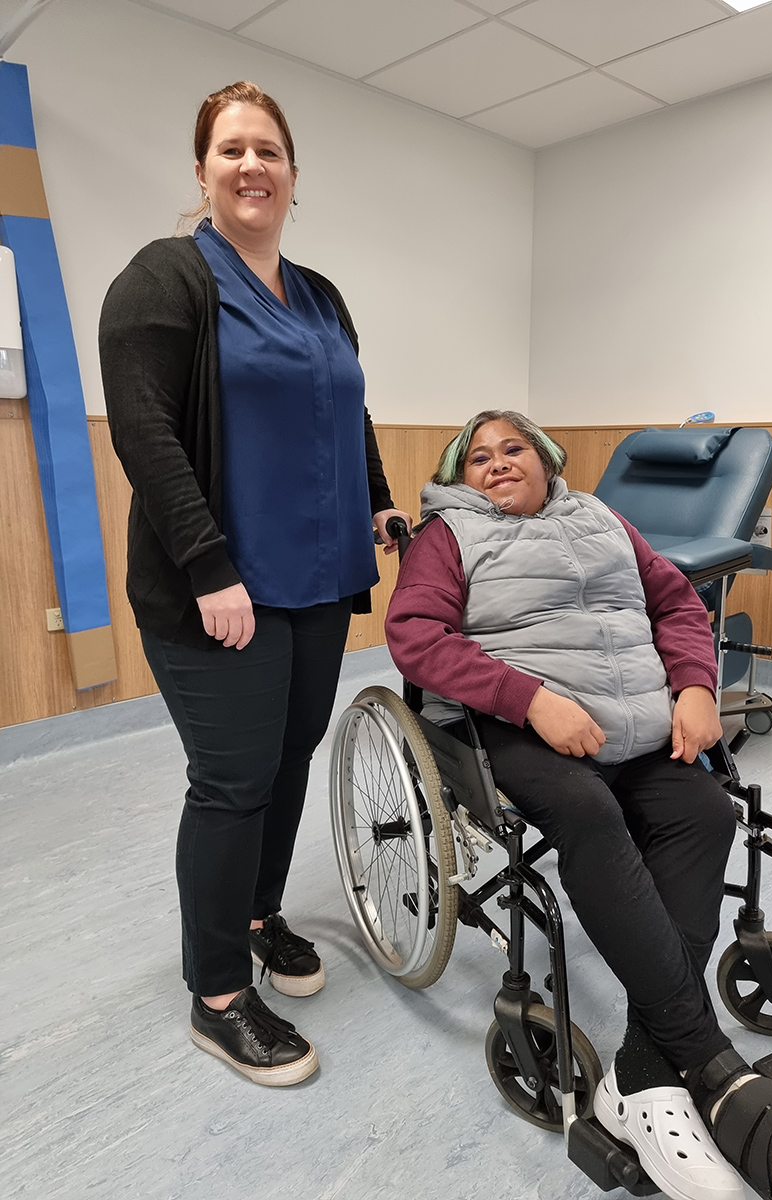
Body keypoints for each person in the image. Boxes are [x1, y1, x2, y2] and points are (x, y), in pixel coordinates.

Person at [385, 411, 772, 1200]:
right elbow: (416, 636)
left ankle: (642, 1070)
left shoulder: (602, 516)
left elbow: (674, 603)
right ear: (457, 478)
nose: (498, 464)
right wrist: (530, 700)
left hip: (637, 721)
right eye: (477, 458)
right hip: (520, 725)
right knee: (593, 817)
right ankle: (711, 1065)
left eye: (514, 449)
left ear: (547, 461)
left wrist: (699, 687)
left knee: (707, 812)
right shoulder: (448, 535)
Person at [99, 81, 411, 1087]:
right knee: (232, 783)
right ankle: (219, 996)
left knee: (286, 761)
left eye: (268, 150)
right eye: (231, 149)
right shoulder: (166, 278)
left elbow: (343, 409)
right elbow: (147, 435)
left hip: (316, 581)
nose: (251, 166)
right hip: (219, 587)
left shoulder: (320, 296)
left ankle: (254, 914)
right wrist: (208, 566)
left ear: (291, 173)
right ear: (202, 171)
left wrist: (376, 499)